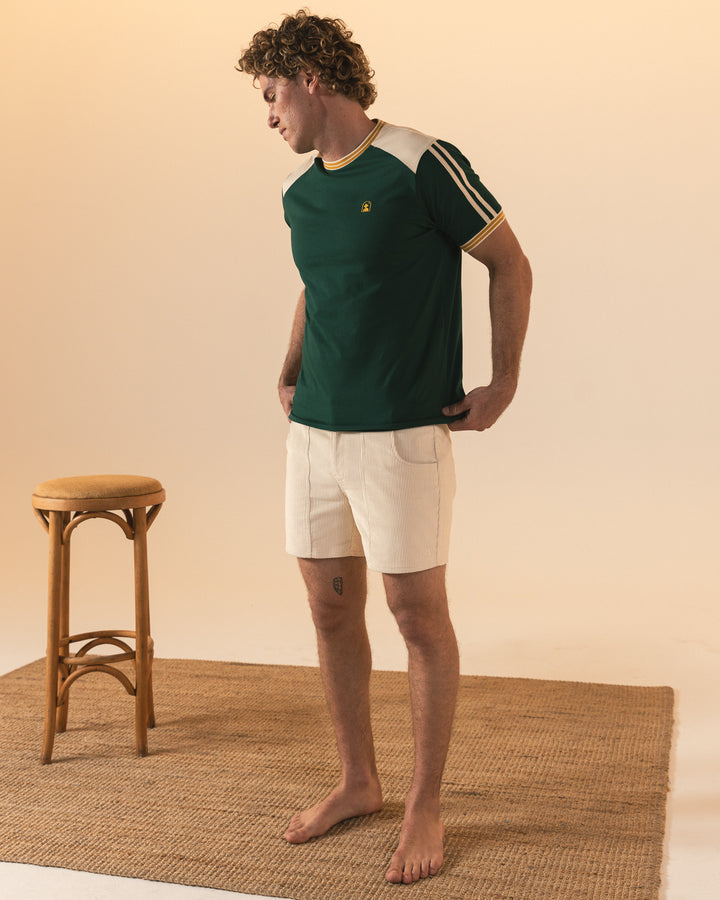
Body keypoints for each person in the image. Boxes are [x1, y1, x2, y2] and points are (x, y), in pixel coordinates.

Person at [236, 10, 531, 885]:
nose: (268, 114)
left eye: (271, 93)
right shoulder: (300, 194)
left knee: (416, 619)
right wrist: (288, 369)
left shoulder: (420, 161)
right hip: (314, 434)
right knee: (331, 612)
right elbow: (318, 286)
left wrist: (503, 383)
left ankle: (425, 805)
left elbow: (509, 262)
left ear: (312, 78)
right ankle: (358, 780)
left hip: (401, 434)